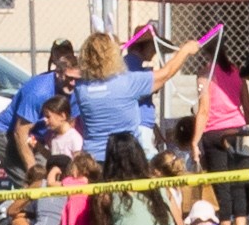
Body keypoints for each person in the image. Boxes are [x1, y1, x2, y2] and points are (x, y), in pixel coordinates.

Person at [71, 25, 207, 161]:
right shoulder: (127, 82)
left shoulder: (81, 88)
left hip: (93, 159)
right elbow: (166, 73)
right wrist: (185, 51)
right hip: (124, 159)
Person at [2, 39, 79, 180]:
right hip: (9, 132)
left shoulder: (76, 89)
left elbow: (68, 127)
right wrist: (34, 174)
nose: (73, 83)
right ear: (58, 73)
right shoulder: (39, 92)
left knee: (49, 178)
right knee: (33, 183)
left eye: (76, 79)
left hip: (37, 137)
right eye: (69, 78)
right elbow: (20, 133)